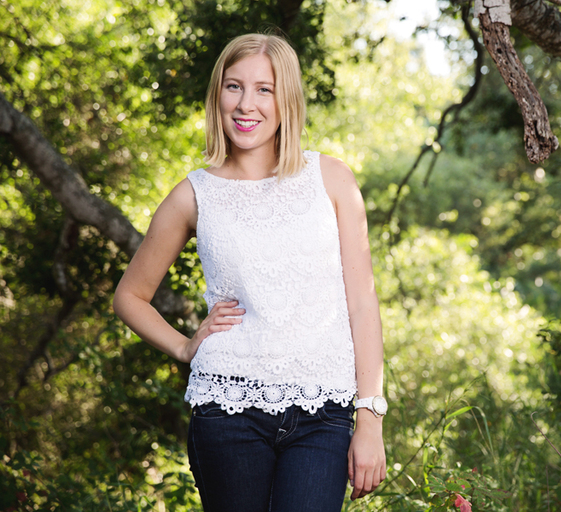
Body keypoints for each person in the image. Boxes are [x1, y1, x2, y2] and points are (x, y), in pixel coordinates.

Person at [113, 33, 387, 512]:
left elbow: (362, 302)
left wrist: (370, 416)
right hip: (227, 410)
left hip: (323, 414)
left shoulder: (332, 179)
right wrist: (183, 345)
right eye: (234, 86)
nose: (246, 104)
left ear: (287, 100)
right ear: (218, 94)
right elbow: (129, 296)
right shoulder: (193, 195)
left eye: (265, 89)